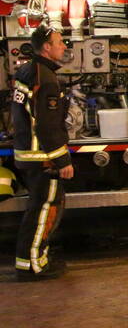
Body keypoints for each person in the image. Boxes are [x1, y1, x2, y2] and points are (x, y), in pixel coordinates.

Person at [13, 25, 73, 281]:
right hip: (43, 159)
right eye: (59, 42)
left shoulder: (27, 71)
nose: (64, 47)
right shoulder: (45, 79)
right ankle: (33, 267)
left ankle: (34, 259)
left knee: (38, 210)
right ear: (47, 47)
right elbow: (48, 126)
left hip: (29, 155)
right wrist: (62, 160)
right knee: (44, 210)